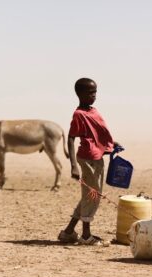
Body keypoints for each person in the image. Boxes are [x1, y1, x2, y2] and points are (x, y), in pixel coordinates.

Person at [58, 78, 119, 246]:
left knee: (88, 195)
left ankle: (69, 232)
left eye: (95, 92)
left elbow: (99, 133)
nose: (94, 96)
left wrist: (112, 145)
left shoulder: (94, 111)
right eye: (90, 93)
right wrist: (73, 166)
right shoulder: (79, 114)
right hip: (87, 159)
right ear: (80, 94)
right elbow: (71, 139)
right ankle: (86, 235)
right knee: (92, 195)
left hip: (97, 158)